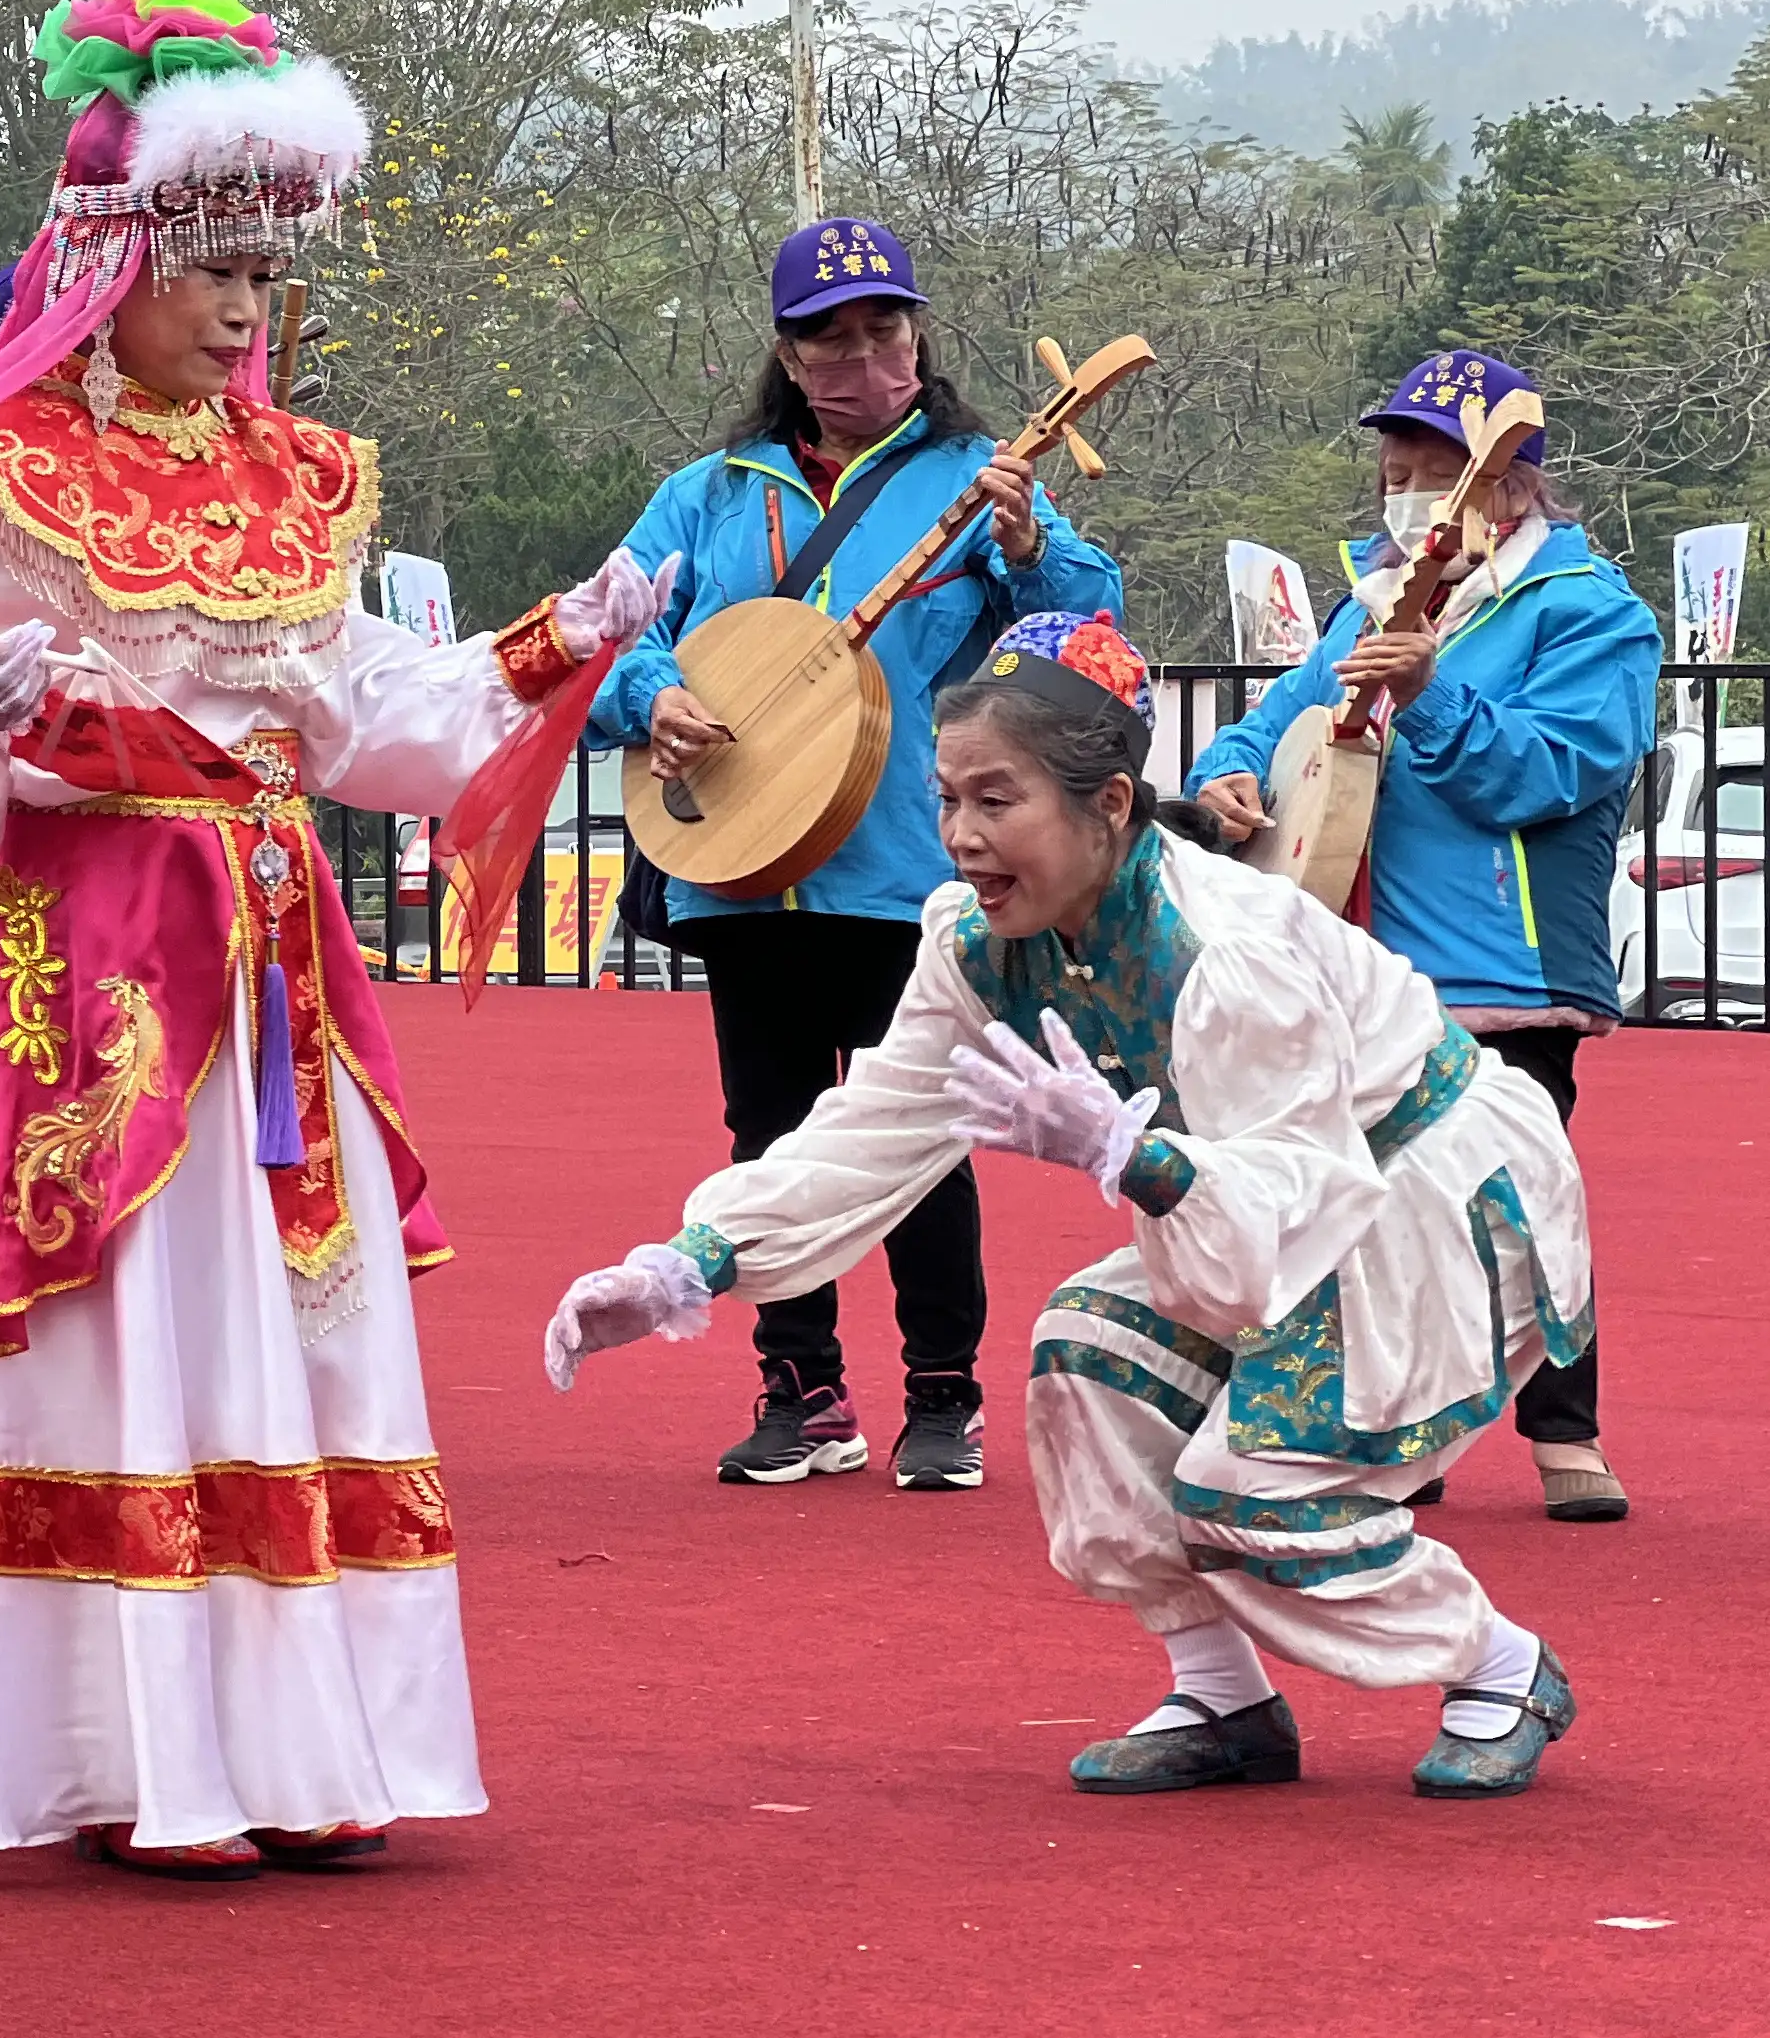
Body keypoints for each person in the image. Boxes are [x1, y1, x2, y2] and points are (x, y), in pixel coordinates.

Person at [0, 0, 674, 1877]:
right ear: (113, 257)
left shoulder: (298, 478)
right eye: (217, 270)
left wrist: (543, 647)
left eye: (269, 277)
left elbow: (356, 716)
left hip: (273, 955)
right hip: (89, 960)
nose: (249, 311)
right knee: (129, 1322)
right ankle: (123, 1754)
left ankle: (298, 1748)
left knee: (292, 1313)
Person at [548, 615, 1592, 1798]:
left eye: (996, 801)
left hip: (1413, 1198)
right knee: (1084, 1363)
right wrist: (689, 1264)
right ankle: (1222, 1689)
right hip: (1252, 1204)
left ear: (1106, 803)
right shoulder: (973, 940)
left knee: (1261, 1488)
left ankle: (1502, 1663)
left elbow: (1300, 1185)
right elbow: (877, 1121)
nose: (960, 838)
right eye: (946, 799)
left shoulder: (1225, 948)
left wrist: (1132, 1156)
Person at [588, 217, 1126, 1491]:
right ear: (789, 349)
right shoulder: (711, 494)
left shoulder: (981, 475)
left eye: (885, 326)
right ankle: (801, 1389)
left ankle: (943, 1392)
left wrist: (1029, 544)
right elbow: (608, 625)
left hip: (914, 864)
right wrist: (655, 694)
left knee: (916, 1129)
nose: (862, 351)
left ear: (918, 335)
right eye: (830, 331)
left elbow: (1085, 628)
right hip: (743, 865)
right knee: (769, 1131)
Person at [1189, 349, 1657, 1523]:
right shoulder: (1371, 598)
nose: (1402, 491)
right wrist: (1231, 778)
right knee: (1375, 1203)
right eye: (1393, 467)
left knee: (1525, 1196)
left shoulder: (1593, 609)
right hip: (1362, 957)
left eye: (1429, 470)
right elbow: (1271, 722)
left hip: (1506, 964)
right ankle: (1409, 1427)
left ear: (1506, 483)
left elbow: (1555, 770)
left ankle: (1568, 1436)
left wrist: (1433, 687)